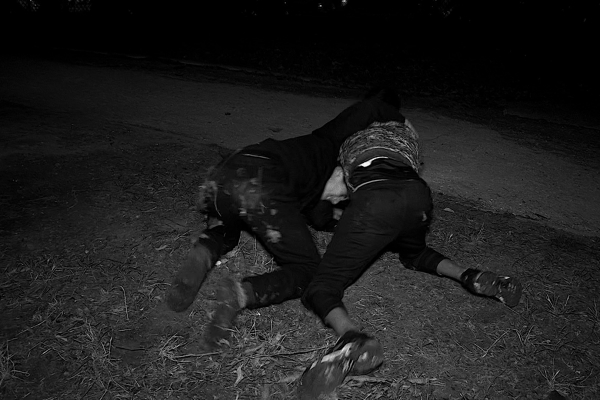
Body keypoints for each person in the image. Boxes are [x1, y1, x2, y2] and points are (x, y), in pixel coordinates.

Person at [296, 118, 523, 398]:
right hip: (418, 197)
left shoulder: (350, 140)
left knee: (321, 286)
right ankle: (470, 276)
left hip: (375, 201)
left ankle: (352, 339)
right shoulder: (406, 141)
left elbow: (331, 192)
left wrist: (326, 210)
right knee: (414, 253)